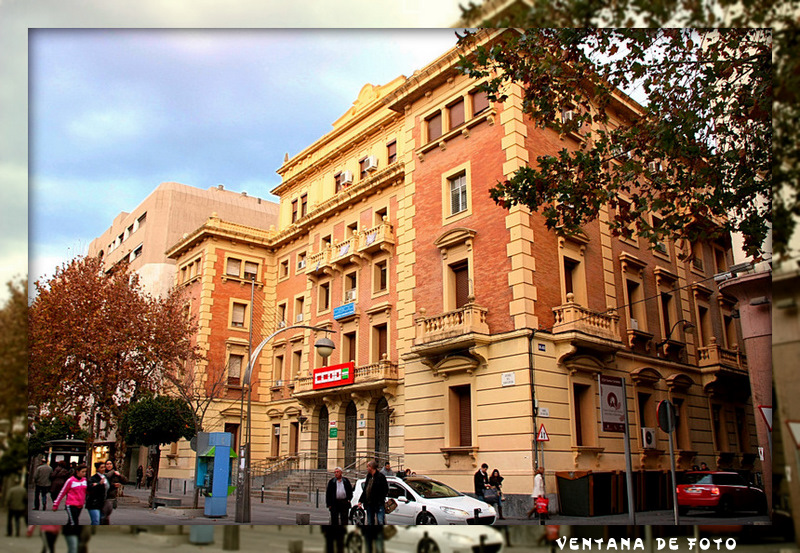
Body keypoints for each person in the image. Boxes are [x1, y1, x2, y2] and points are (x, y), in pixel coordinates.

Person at [53, 463, 87, 553]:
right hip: (71, 504)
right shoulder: (70, 481)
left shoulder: (84, 480)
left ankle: (67, 533)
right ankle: (75, 540)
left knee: (71, 521)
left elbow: (87, 491)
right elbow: (63, 492)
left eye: (85, 472)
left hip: (80, 505)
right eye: (82, 472)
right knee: (74, 522)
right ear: (77, 472)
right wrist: (56, 503)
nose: (84, 474)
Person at [358, 460, 388, 526]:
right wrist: (361, 500)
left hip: (378, 503)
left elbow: (385, 489)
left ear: (371, 467)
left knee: (380, 521)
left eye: (367, 467)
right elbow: (365, 489)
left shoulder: (380, 477)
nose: (366, 468)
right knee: (370, 522)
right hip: (369, 503)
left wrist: (380, 499)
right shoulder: (369, 476)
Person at [103, 459, 128, 524]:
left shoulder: (116, 474)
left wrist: (119, 475)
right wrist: (113, 485)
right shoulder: (103, 473)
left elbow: (125, 481)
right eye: (107, 464)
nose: (109, 465)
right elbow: (105, 482)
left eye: (110, 464)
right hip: (103, 496)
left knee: (107, 513)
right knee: (104, 514)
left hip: (111, 496)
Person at [85, 461, 109, 526]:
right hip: (94, 503)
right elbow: (90, 489)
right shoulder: (93, 478)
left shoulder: (105, 477)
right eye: (101, 467)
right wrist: (99, 484)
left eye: (104, 467)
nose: (103, 469)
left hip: (102, 503)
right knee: (96, 521)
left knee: (102, 520)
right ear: (97, 469)